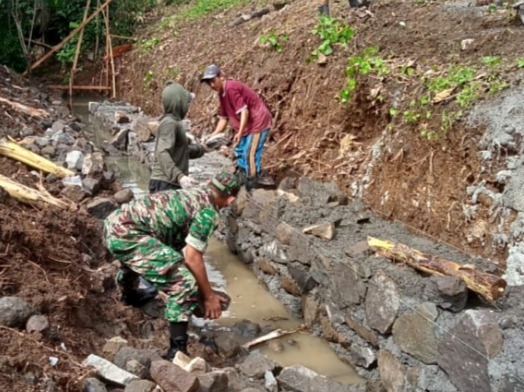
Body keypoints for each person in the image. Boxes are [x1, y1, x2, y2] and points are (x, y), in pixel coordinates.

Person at [103, 171, 240, 360]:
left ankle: (130, 296)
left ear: (210, 182)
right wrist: (208, 296)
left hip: (114, 224)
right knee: (184, 284)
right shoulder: (208, 212)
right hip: (128, 235)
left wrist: (201, 289)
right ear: (230, 200)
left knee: (141, 259)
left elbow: (182, 255)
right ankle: (177, 350)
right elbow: (193, 257)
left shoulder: (195, 192)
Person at [201, 64, 272, 191]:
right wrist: (213, 135)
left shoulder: (231, 88)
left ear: (221, 77)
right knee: (240, 152)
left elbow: (244, 112)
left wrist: (239, 132)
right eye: (209, 83)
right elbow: (224, 118)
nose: (212, 85)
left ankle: (252, 184)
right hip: (247, 125)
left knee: (250, 153)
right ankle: (243, 178)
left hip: (258, 122)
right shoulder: (221, 93)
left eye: (213, 81)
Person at [149, 81, 206, 194]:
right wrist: (179, 176)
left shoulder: (173, 122)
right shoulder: (169, 123)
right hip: (164, 184)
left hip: (169, 182)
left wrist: (203, 149)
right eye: (186, 102)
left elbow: (181, 151)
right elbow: (162, 152)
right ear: (179, 103)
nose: (188, 107)